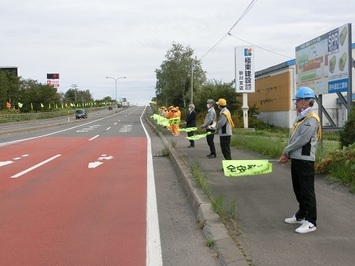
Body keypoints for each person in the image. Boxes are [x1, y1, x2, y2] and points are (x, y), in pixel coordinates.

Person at [278, 86, 322, 234]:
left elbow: (302, 140)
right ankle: (302, 215)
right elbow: (294, 138)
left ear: (305, 102)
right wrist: (289, 154)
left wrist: (286, 151)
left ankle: (311, 221)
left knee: (307, 190)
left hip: (305, 160)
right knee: (298, 189)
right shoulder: (301, 117)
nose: (295, 104)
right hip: (297, 158)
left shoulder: (311, 119)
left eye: (297, 101)